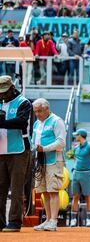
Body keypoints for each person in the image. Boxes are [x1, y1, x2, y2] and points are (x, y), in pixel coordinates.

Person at [0, 76, 32, 232]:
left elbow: (22, 122)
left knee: (17, 188)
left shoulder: (23, 102)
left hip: (19, 150)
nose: (2, 95)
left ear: (12, 88)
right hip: (1, 151)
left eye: (5, 92)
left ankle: (14, 222)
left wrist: (2, 122)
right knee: (0, 188)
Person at [31, 98, 66, 232]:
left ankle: (54, 221)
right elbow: (34, 141)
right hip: (40, 161)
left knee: (53, 191)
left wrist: (44, 148)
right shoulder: (36, 124)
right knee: (44, 192)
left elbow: (61, 142)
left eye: (40, 111)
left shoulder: (57, 121)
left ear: (47, 109)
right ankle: (47, 220)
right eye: (35, 112)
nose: (37, 114)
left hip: (54, 160)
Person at [70, 129, 90, 227]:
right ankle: (73, 220)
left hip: (86, 174)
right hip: (76, 174)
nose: (75, 137)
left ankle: (89, 220)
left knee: (88, 196)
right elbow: (75, 159)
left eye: (76, 135)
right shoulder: (76, 148)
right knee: (75, 197)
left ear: (81, 136)